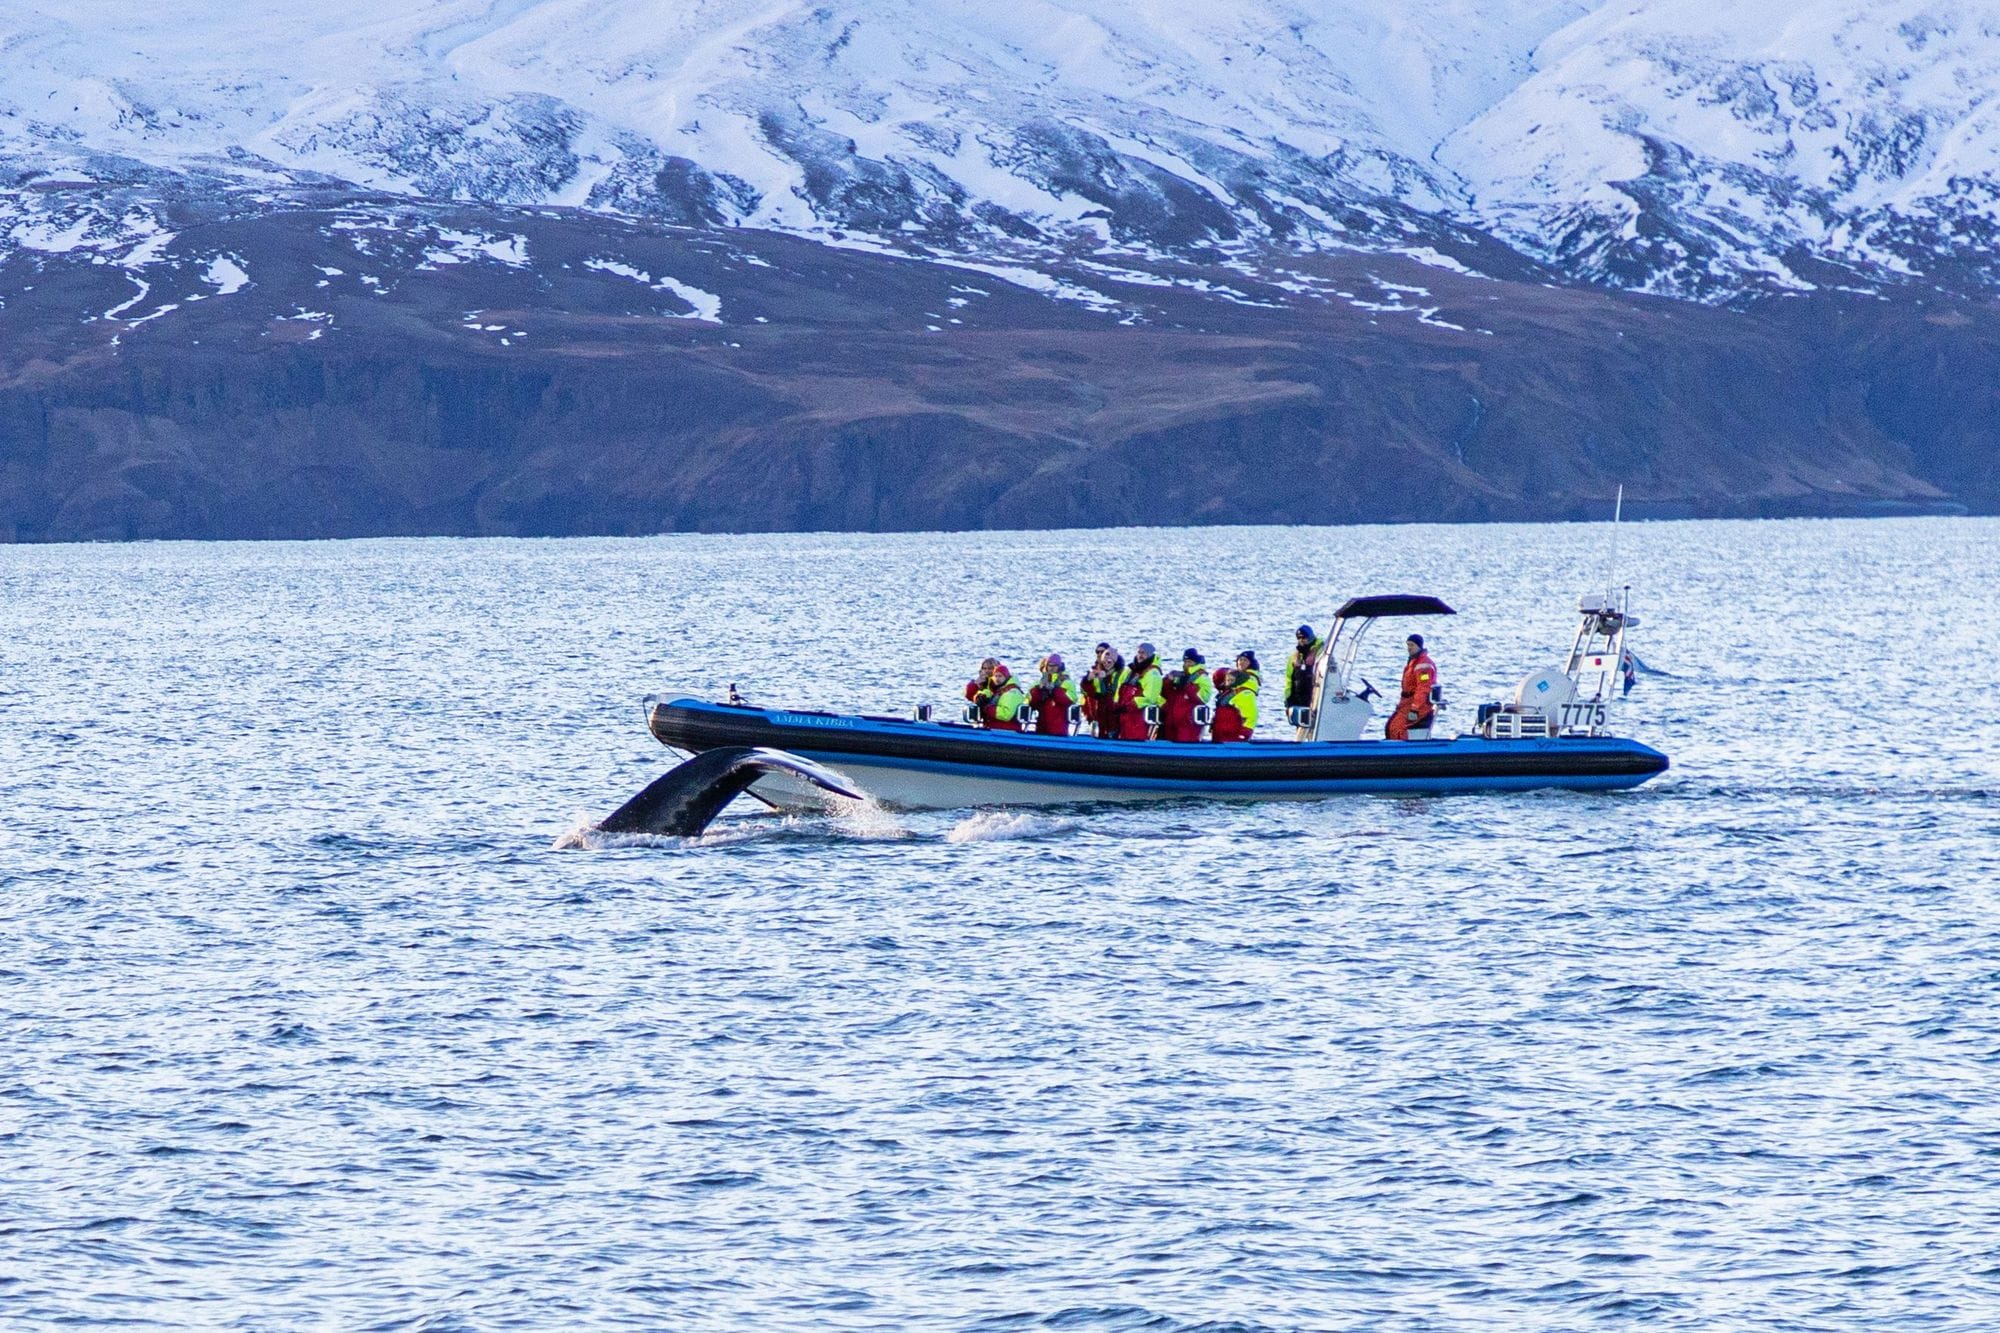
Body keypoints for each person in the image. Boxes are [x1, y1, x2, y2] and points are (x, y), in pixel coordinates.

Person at [1385, 634, 1438, 741]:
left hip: (1419, 705)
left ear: (1419, 646)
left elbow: (1423, 688)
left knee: (1397, 728)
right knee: (1390, 726)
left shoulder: (1423, 665)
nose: (1409, 648)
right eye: (1408, 645)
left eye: (1412, 645)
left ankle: (1401, 751)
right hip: (1406, 703)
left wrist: (1415, 709)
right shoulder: (1413, 661)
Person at [1159, 648, 1212, 742]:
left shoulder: (1202, 678)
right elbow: (1166, 694)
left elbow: (1203, 698)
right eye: (1185, 661)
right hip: (1172, 721)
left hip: (1188, 723)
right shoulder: (1180, 676)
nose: (1187, 664)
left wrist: (1188, 686)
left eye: (1190, 662)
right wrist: (1168, 681)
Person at [1114, 642, 1165, 740]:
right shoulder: (1129, 671)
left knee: (1135, 741)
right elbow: (1119, 687)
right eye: (1139, 652)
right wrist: (1116, 703)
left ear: (1150, 655)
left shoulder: (1153, 674)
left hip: (1138, 718)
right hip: (1124, 716)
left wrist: (1130, 705)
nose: (1140, 655)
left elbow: (1150, 698)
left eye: (1143, 653)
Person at [1210, 650, 1261, 742]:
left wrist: (1244, 734)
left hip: (1232, 735)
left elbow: (1251, 715)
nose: (1241, 662)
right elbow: (1217, 677)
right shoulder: (1233, 685)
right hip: (1221, 732)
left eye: (1245, 660)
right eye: (1240, 659)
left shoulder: (1245, 690)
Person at [964, 658, 1028, 730]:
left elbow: (1006, 714)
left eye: (991, 668)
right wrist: (975, 684)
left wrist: (987, 707)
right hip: (989, 727)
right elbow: (970, 696)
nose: (987, 671)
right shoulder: (986, 686)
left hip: (1005, 729)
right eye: (984, 668)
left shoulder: (1011, 691)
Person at [1028, 654, 1080, 736]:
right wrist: (1039, 690)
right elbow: (1031, 703)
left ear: (1059, 666)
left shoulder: (1067, 683)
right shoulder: (1038, 683)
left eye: (1055, 666)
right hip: (1041, 728)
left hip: (1059, 729)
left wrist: (1054, 690)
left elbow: (1069, 701)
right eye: (1050, 665)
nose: (1052, 668)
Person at [1081, 642, 1125, 738]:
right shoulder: (1094, 672)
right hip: (1097, 714)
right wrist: (1087, 680)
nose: (1099, 654)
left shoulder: (1120, 674)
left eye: (1102, 651)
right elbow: (1087, 693)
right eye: (1097, 652)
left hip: (1114, 715)